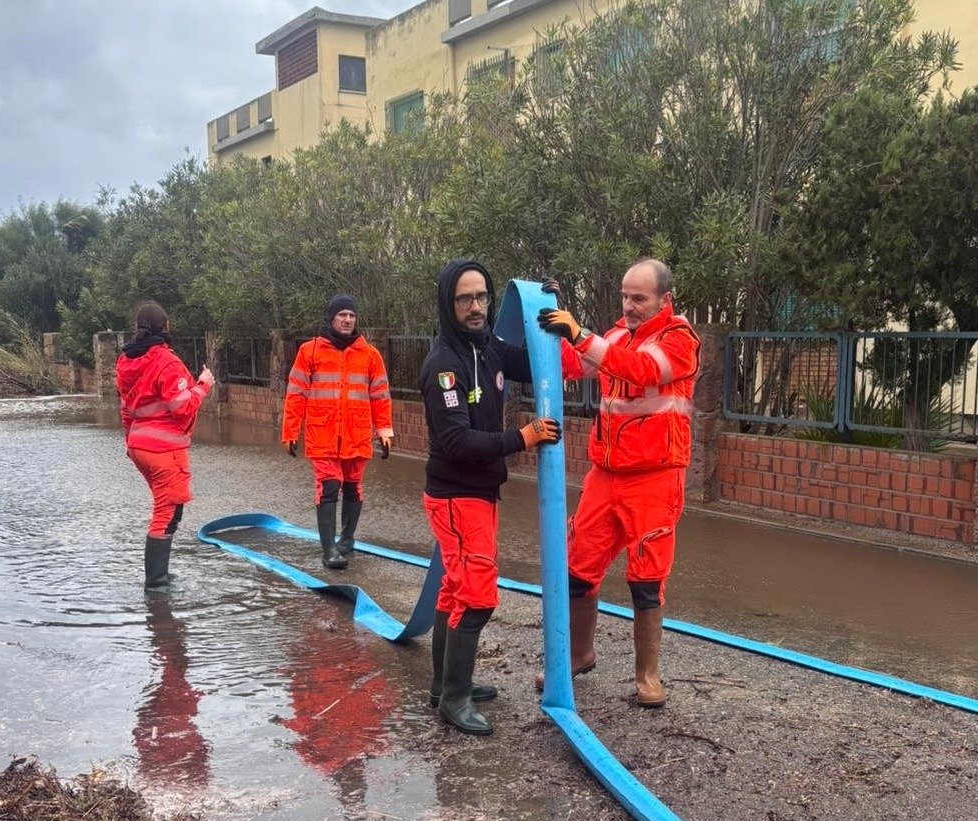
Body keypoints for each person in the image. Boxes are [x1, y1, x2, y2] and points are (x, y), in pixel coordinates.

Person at [537, 259, 699, 707]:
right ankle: (580, 655)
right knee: (578, 566)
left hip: (655, 477)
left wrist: (580, 334)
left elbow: (639, 370)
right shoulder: (615, 336)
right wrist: (549, 317)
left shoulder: (679, 341)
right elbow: (574, 362)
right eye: (625, 297)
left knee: (647, 578)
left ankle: (647, 676)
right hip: (605, 476)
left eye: (638, 298)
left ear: (665, 300)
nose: (628, 306)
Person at [421, 258, 562, 736]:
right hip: (456, 496)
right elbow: (458, 442)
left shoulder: (491, 348)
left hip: (478, 495)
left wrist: (554, 316)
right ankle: (454, 698)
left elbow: (539, 360)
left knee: (455, 590)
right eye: (465, 299)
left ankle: (446, 685)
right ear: (449, 303)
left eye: (482, 296)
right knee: (478, 597)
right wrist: (522, 438)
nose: (476, 306)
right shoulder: (444, 366)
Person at [281, 295, 394, 570]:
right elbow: (296, 394)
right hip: (323, 434)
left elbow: (380, 396)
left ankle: (347, 539)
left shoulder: (370, 355)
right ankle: (329, 549)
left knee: (353, 487)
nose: (347, 320)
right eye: (342, 314)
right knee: (329, 486)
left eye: (351, 315)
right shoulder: (310, 351)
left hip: (356, 433)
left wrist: (384, 430)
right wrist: (290, 430)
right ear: (331, 317)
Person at [117, 301, 214, 592]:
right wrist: (203, 384)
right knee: (168, 509)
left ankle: (160, 576)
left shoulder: (127, 360)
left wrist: (129, 441)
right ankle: (156, 583)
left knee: (171, 505)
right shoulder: (166, 361)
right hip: (163, 449)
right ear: (167, 326)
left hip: (140, 446)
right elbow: (180, 406)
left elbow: (126, 407)